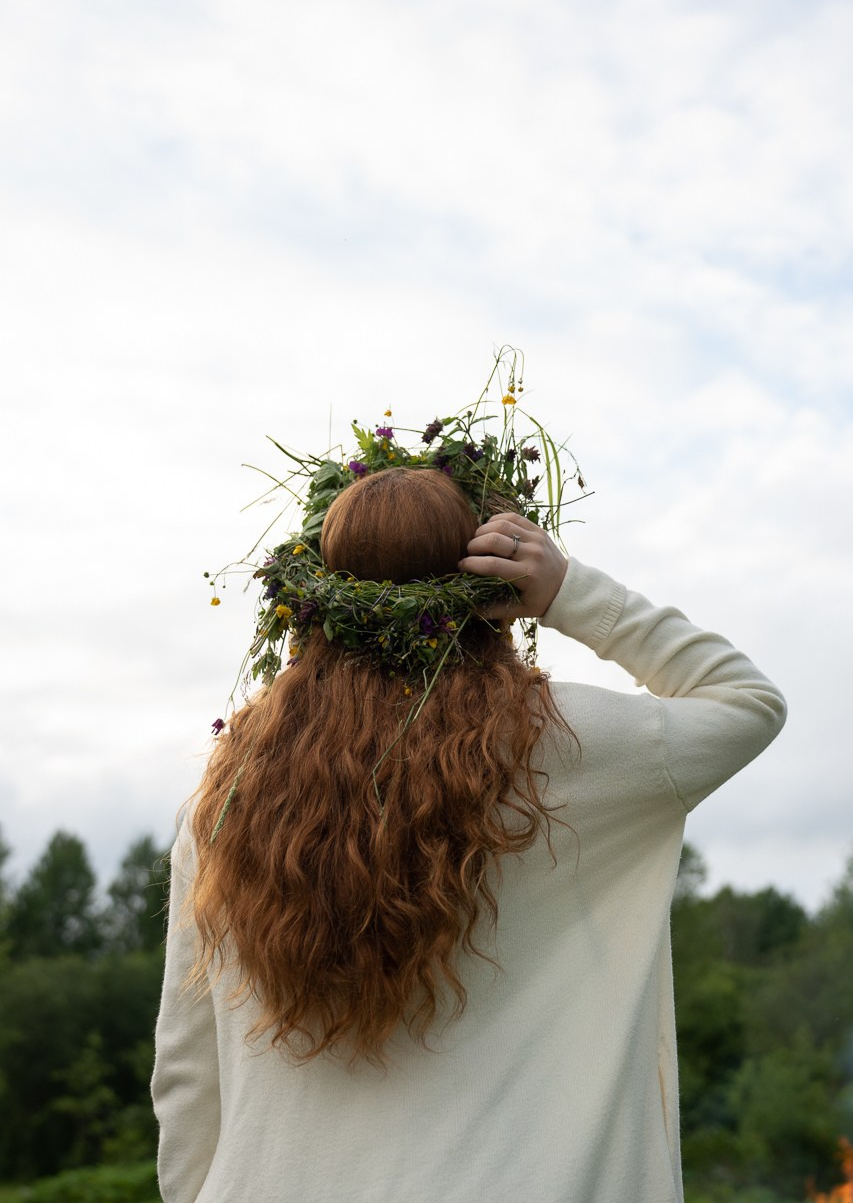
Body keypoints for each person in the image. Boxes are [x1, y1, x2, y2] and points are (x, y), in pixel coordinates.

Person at [152, 465, 786, 1203]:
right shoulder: (577, 748)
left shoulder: (224, 797)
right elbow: (746, 701)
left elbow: (186, 1070)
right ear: (489, 596)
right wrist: (566, 590)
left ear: (319, 595)